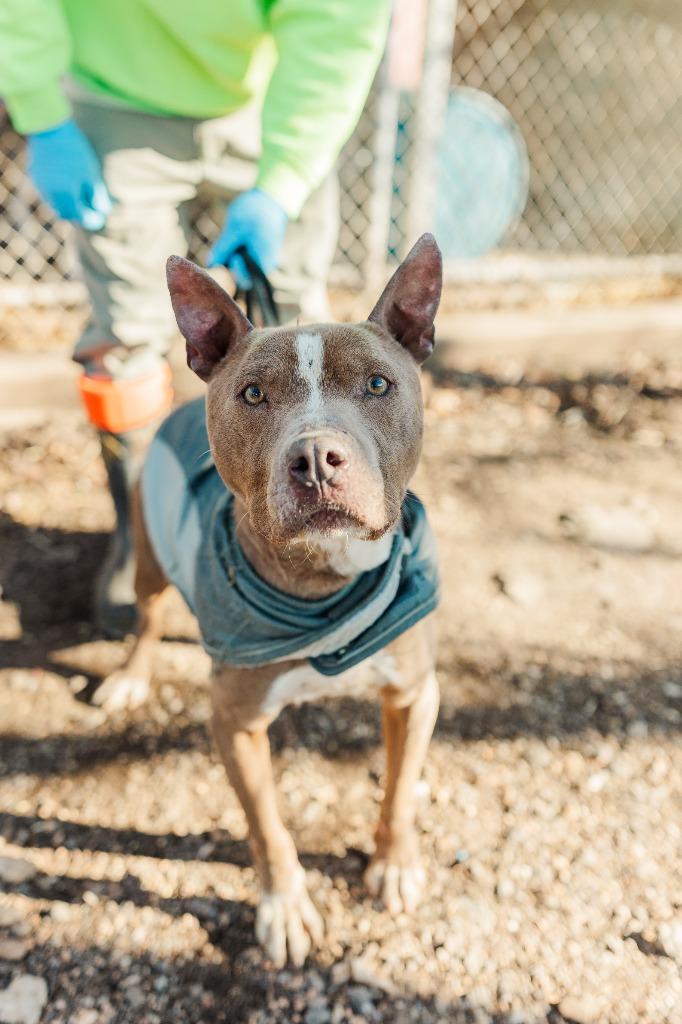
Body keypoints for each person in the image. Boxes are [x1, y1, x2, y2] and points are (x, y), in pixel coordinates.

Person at [0, 0, 391, 635]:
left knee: (300, 326)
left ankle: (310, 518)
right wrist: (42, 114)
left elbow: (338, 23)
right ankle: (143, 530)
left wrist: (281, 184)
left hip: (271, 94)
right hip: (115, 91)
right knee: (124, 339)